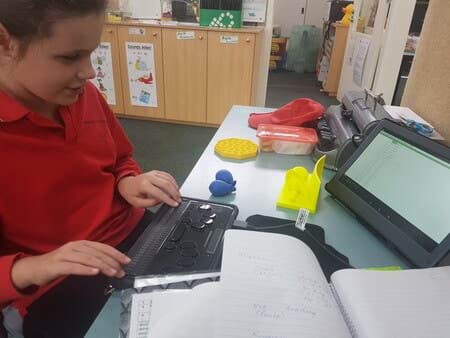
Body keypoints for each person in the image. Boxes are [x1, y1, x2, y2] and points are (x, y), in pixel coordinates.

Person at [0, 1, 181, 337]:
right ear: (5, 42)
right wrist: (37, 266)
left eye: (91, 53)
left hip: (136, 235)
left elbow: (120, 159)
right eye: (69, 57)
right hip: (59, 283)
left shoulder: (83, 95)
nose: (90, 72)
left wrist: (128, 181)